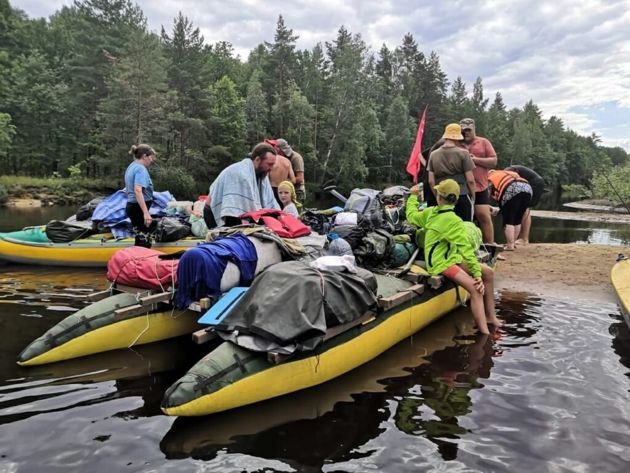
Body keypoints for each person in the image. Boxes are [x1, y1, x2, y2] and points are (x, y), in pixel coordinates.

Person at [406, 178, 501, 335]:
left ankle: (491, 317)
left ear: (439, 197)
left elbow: (411, 215)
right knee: (476, 290)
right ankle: (485, 333)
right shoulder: (453, 221)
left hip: (450, 257)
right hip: (441, 263)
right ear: (456, 200)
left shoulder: (430, 212)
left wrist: (413, 197)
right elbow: (467, 251)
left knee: (488, 273)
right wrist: (476, 275)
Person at [208, 142, 280, 227]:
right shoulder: (242, 174)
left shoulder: (261, 175)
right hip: (214, 212)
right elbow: (233, 211)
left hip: (232, 216)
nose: (271, 168)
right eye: (269, 164)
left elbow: (269, 205)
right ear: (257, 160)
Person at [427, 123, 476, 221]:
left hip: (443, 197)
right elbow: (470, 180)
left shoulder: (433, 154)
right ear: (457, 138)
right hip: (461, 195)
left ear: (445, 137)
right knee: (465, 228)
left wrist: (438, 195)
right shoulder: (464, 153)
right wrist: (473, 197)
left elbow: (431, 181)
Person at [460, 118, 497, 244]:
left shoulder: (483, 142)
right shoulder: (457, 143)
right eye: (464, 130)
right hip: (462, 187)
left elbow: (493, 161)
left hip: (480, 187)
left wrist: (475, 159)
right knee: (462, 219)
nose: (466, 133)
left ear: (474, 129)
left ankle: (490, 247)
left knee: (484, 216)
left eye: (469, 130)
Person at [487, 169, 533, 251]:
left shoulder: (490, 178)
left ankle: (510, 245)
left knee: (509, 220)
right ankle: (513, 242)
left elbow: (488, 193)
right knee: (517, 219)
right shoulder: (506, 173)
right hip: (528, 188)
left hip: (512, 189)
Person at [124, 144, 156, 248]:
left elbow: (128, 189)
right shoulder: (140, 169)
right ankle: (145, 262)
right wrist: (146, 213)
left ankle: (136, 261)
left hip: (132, 207)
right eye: (151, 157)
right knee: (145, 240)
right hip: (138, 209)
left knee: (139, 238)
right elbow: (138, 190)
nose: (152, 160)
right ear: (144, 156)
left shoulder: (131, 166)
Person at [505, 165, 545, 245]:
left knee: (525, 208)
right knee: (522, 208)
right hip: (533, 182)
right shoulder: (507, 172)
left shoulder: (509, 171)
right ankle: (521, 238)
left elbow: (515, 181)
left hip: (535, 183)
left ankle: (524, 238)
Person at [276, 139, 306, 203]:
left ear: (280, 149)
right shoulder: (279, 158)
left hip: (297, 191)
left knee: (296, 211)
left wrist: (282, 181)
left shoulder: (296, 158)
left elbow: (300, 178)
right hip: (284, 191)